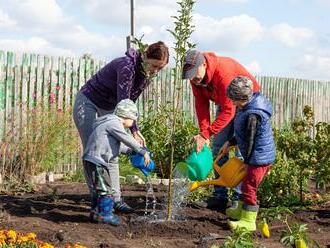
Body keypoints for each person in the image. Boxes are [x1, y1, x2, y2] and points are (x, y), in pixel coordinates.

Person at [73, 41, 169, 212]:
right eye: (154, 66)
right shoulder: (126, 66)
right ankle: (99, 200)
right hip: (88, 103)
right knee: (94, 152)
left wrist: (135, 130)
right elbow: (123, 100)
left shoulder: (146, 75)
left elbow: (129, 105)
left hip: (110, 108)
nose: (155, 71)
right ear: (146, 56)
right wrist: (133, 130)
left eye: (160, 68)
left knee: (113, 151)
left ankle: (116, 200)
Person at [182, 50, 261, 212]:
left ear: (203, 64)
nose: (192, 79)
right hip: (225, 104)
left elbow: (229, 111)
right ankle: (220, 196)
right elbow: (201, 104)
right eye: (189, 75)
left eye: (193, 73)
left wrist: (206, 134)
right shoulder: (195, 79)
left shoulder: (223, 74)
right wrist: (204, 132)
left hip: (246, 103)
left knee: (241, 150)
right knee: (218, 148)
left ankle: (239, 198)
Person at [83, 99, 151, 225]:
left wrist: (131, 152)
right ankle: (106, 215)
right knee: (105, 189)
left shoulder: (109, 124)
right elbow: (126, 139)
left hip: (93, 160)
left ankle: (95, 212)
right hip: (97, 161)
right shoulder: (114, 124)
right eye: (133, 120)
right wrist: (142, 151)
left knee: (99, 188)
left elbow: (117, 146)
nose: (134, 123)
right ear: (127, 116)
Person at [222, 76, 275, 231]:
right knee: (246, 185)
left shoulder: (253, 115)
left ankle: (248, 221)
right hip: (255, 156)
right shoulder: (245, 108)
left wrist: (248, 162)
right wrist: (229, 142)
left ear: (242, 98)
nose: (232, 103)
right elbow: (242, 133)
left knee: (249, 187)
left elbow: (251, 140)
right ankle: (240, 210)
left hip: (259, 158)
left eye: (234, 99)